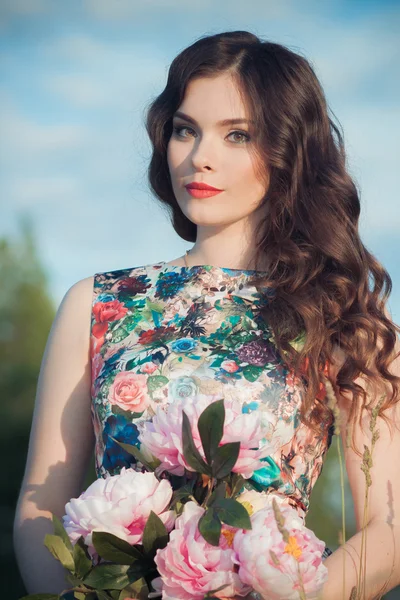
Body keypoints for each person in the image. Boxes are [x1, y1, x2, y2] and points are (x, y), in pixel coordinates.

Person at [14, 30, 400, 598]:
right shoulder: (97, 303)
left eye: (237, 135)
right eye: (185, 130)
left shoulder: (340, 313)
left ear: (289, 150)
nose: (200, 157)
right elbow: (40, 505)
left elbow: (390, 524)